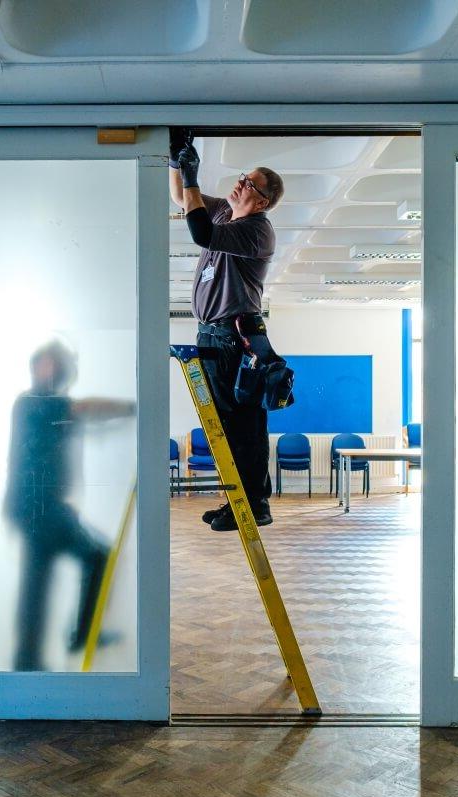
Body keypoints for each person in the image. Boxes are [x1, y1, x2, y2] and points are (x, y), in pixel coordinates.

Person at [169, 133, 285, 532]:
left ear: (262, 200)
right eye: (242, 177)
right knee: (225, 426)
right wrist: (175, 163)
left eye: (249, 183)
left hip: (234, 339)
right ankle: (238, 502)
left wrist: (192, 174)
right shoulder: (222, 212)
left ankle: (254, 505)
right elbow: (182, 200)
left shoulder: (257, 230)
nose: (239, 183)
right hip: (213, 335)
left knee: (243, 426)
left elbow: (199, 232)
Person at [4, 340, 135, 671]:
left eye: (54, 364)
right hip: (38, 506)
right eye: (44, 363)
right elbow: (84, 408)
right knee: (93, 557)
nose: (48, 369)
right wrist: (136, 406)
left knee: (38, 580)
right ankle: (67, 640)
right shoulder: (33, 403)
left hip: (40, 506)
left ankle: (30, 657)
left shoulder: (46, 404)